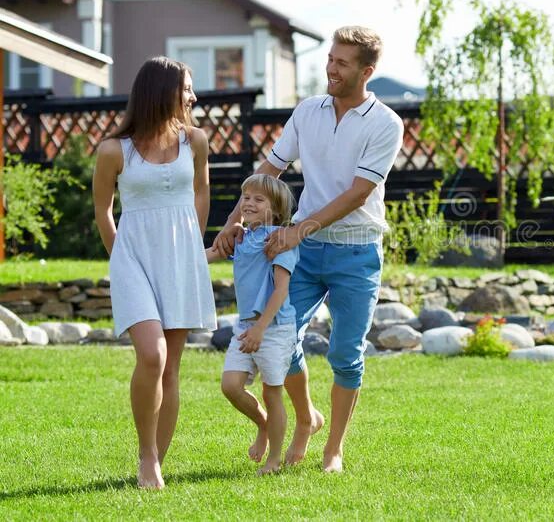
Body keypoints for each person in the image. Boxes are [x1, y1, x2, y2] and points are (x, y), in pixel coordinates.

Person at [213, 26, 404, 473]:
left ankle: (333, 448)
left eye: (342, 63)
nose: (330, 68)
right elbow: (270, 170)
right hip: (306, 247)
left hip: (356, 250)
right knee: (283, 335)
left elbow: (359, 192)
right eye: (331, 59)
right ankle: (305, 419)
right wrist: (232, 221)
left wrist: (298, 230)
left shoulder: (385, 123)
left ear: (366, 71)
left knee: (345, 352)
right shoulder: (308, 111)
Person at [93, 56, 217, 489]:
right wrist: (119, 256)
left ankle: (154, 465)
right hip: (133, 260)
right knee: (152, 355)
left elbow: (201, 190)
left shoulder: (195, 140)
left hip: (181, 257)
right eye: (186, 87)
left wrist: (193, 243)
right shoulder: (114, 149)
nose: (192, 96)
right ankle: (147, 456)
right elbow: (103, 209)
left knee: (171, 367)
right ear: (161, 90)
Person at [206, 174, 299, 475]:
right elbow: (206, 256)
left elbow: (280, 290)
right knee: (231, 386)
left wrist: (260, 329)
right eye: (246, 197)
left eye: (259, 199)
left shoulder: (281, 241)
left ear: (277, 208)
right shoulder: (241, 238)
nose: (249, 203)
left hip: (273, 328)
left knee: (273, 394)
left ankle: (274, 459)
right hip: (245, 326)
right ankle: (263, 424)